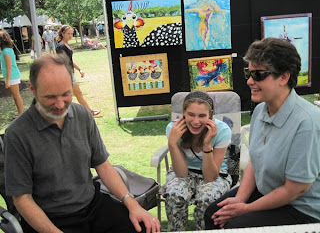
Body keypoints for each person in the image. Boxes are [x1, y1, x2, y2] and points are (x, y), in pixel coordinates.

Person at [4, 54, 161, 233]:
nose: (60, 104)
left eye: (66, 94)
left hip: (92, 207)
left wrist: (132, 204)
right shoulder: (17, 134)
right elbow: (22, 199)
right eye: (50, 97)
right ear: (32, 88)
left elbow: (103, 166)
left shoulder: (82, 115)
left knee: (144, 228)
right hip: (49, 219)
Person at [205, 37, 320, 229]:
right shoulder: (260, 110)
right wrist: (240, 198)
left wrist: (246, 209)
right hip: (268, 191)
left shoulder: (307, 123)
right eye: (248, 73)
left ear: (284, 77)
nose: (250, 81)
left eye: (259, 74)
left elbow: (295, 189)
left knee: (235, 225)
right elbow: (255, 161)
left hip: (300, 208)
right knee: (213, 214)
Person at [163, 90, 232, 231]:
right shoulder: (173, 129)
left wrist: (207, 145)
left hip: (214, 174)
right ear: (184, 112)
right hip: (183, 172)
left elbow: (211, 177)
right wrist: (172, 144)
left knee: (208, 199)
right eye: (191, 114)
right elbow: (181, 174)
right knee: (174, 195)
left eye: (202, 116)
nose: (195, 121)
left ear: (210, 115)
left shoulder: (222, 130)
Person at [56, 25, 101, 116]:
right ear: (63, 33)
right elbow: (61, 61)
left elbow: (70, 60)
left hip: (69, 73)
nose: (70, 35)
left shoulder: (66, 45)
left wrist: (79, 69)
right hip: (66, 74)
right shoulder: (61, 46)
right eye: (68, 33)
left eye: (72, 33)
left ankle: (88, 112)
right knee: (74, 95)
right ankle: (89, 112)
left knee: (75, 94)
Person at [0, 30, 24, 119]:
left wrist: (7, 81)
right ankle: (20, 113)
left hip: (12, 76)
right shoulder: (7, 50)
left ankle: (21, 113)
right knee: (15, 96)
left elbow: (9, 67)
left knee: (16, 96)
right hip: (12, 76)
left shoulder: (6, 51)